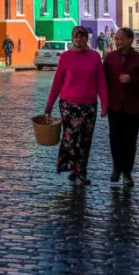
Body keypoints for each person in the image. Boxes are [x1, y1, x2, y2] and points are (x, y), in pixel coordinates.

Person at [45, 26, 108, 184]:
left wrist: (104, 104)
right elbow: (57, 82)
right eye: (75, 37)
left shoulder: (95, 57)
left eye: (82, 37)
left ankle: (80, 171)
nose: (78, 40)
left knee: (86, 138)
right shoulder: (65, 57)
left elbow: (101, 81)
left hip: (89, 104)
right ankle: (73, 166)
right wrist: (49, 105)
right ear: (72, 39)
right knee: (72, 136)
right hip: (69, 104)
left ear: (87, 38)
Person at [103, 27, 139, 186]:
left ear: (130, 40)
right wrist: (104, 102)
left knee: (130, 141)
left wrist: (132, 79)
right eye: (116, 39)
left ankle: (127, 173)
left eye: (120, 39)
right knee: (114, 139)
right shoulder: (110, 58)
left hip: (133, 107)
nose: (117, 42)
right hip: (115, 106)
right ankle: (116, 167)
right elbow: (103, 80)